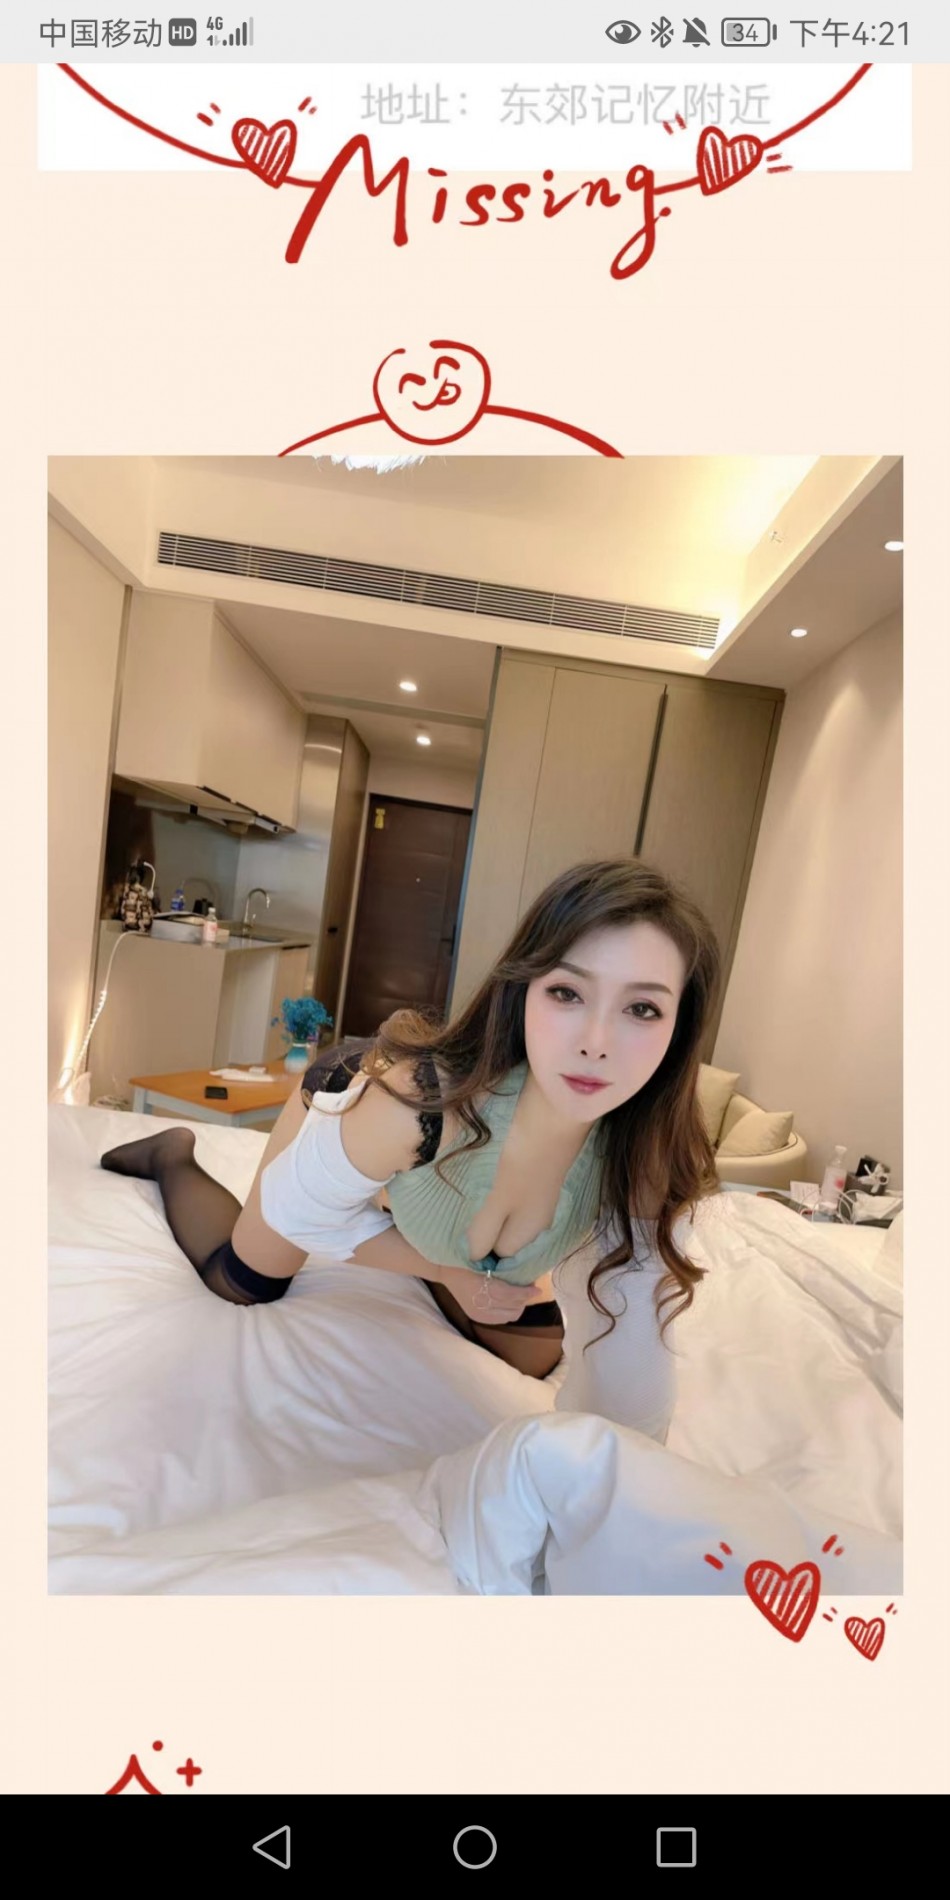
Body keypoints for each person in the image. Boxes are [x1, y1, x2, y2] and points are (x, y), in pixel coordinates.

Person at [101, 858, 721, 1385]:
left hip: (427, 1174)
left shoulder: (648, 1149)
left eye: (642, 1009)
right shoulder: (412, 1103)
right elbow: (297, 1212)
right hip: (358, 1098)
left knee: (533, 1358)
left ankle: (420, 1223)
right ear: (524, 990)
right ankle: (171, 1155)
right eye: (567, 993)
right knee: (244, 1282)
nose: (595, 1043)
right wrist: (443, 1270)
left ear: (680, 1027)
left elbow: (630, 1336)